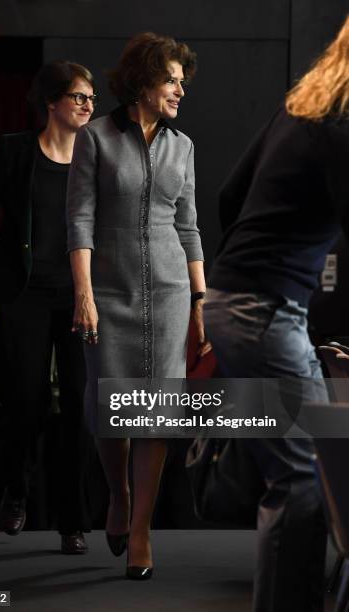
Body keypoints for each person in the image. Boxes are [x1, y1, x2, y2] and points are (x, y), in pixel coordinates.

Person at [204, 15, 349, 612]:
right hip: (264, 313)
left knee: (317, 475)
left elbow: (228, 197)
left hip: (240, 302)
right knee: (303, 483)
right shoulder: (342, 125)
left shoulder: (302, 110)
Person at [67, 32, 208, 579]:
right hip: (107, 291)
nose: (180, 90)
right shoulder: (96, 138)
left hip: (171, 294)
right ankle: (119, 495)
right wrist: (83, 293)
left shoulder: (184, 146)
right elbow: (78, 218)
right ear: (143, 81)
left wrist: (200, 299)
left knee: (158, 416)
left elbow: (190, 227)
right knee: (110, 410)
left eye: (182, 82)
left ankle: (142, 525)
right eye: (172, 79)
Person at [0, 61, 96, 553]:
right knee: (25, 403)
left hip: (78, 295)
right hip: (23, 295)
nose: (87, 105)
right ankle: (16, 490)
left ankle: (72, 521)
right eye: (78, 97)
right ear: (51, 102)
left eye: (91, 98)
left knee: (78, 409)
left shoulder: (96, 156)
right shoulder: (15, 151)